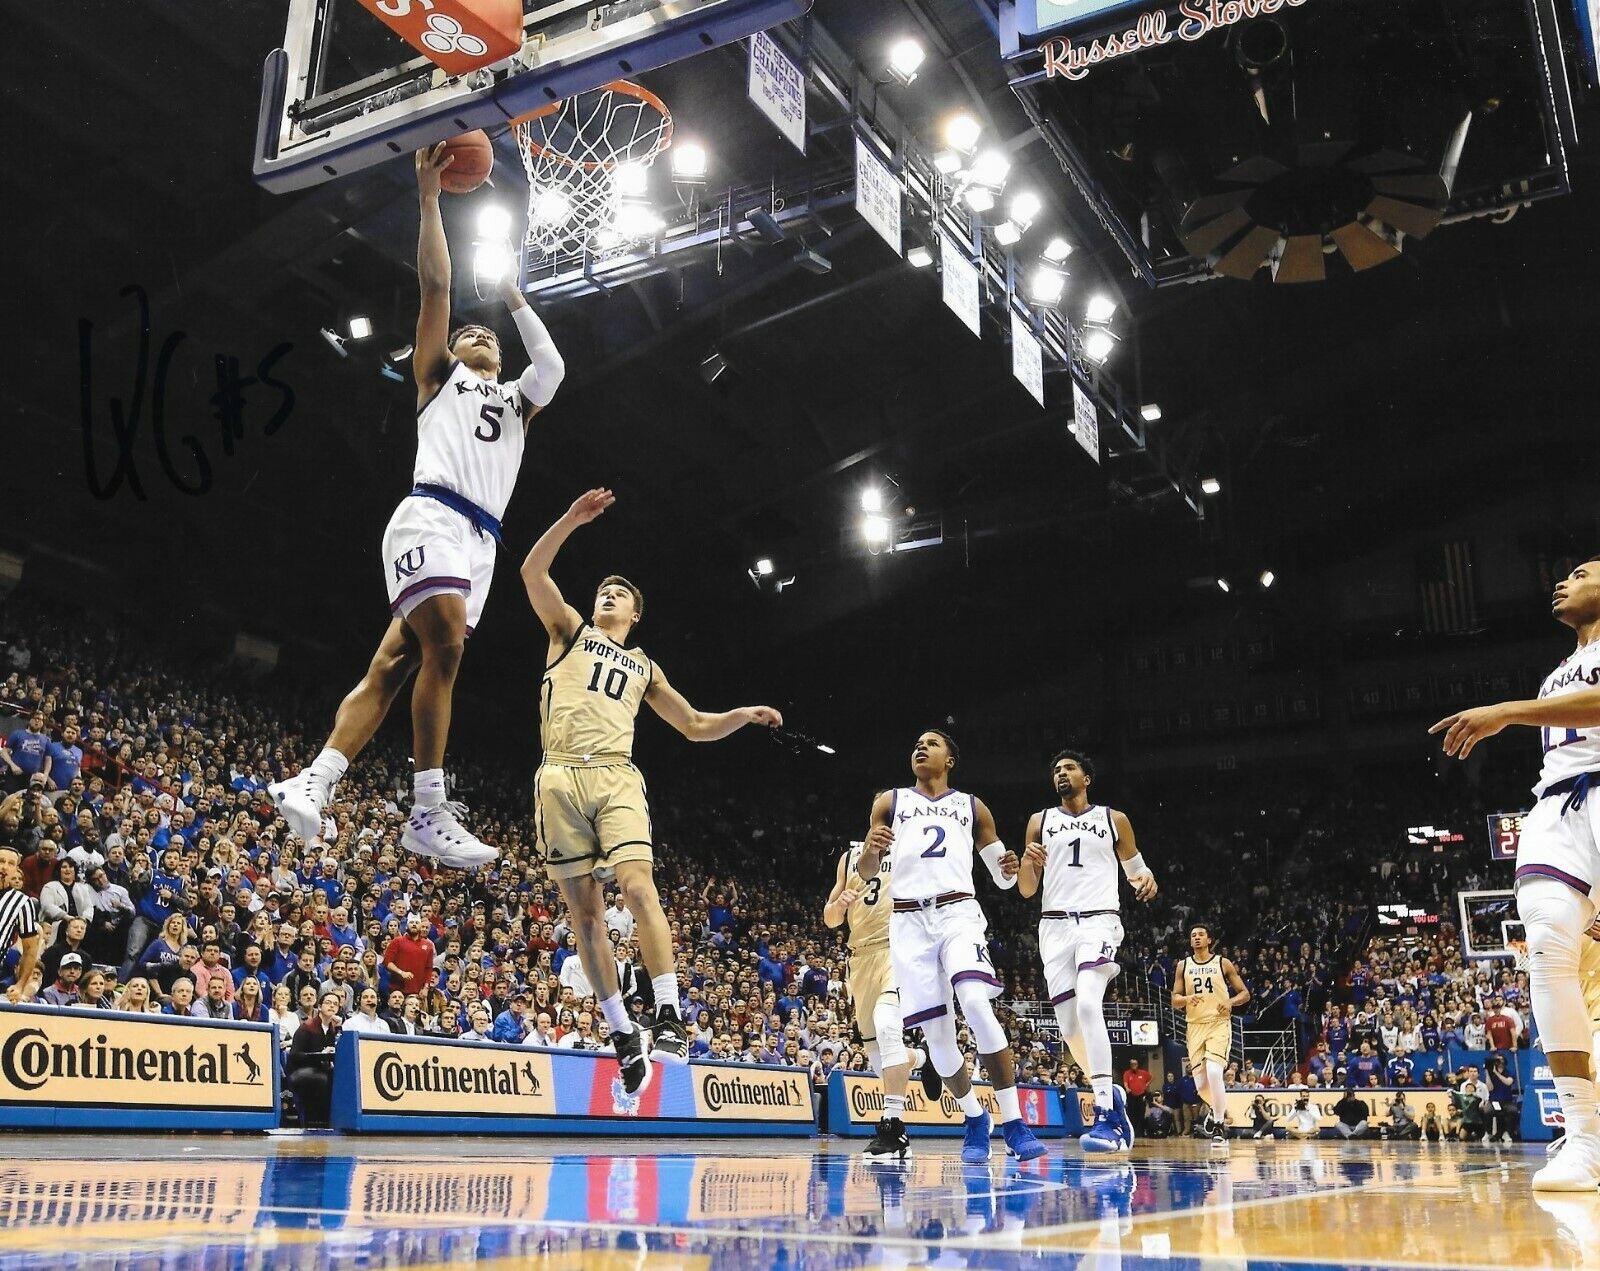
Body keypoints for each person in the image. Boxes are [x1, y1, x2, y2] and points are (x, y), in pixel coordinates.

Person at [268, 141, 568, 870]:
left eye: (485, 334)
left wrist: (517, 297)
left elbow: (553, 368)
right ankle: (427, 808)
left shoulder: (517, 403)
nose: (476, 334)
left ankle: (317, 778)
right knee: (448, 647)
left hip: (480, 543)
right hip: (431, 514)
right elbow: (437, 289)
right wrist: (431, 199)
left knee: (396, 662)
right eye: (470, 333)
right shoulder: (439, 379)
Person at [518, 487, 782, 1094]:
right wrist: (569, 520)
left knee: (638, 887)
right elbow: (533, 570)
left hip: (615, 774)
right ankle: (620, 1031)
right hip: (557, 774)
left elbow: (692, 725)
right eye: (602, 591)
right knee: (584, 916)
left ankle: (667, 1011)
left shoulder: (644, 665)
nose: (607, 595)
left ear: (635, 615)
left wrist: (739, 713)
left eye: (620, 595)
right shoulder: (568, 632)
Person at [1430, 555, 1600, 1187]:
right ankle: (1584, 1138)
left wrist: (1507, 711)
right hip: (1557, 805)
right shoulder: (1557, 673)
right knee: (1550, 948)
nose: (1564, 581)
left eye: (1582, 572)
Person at [855, 729, 1047, 1164]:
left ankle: (1015, 1123)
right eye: (915, 744)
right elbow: (867, 871)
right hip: (907, 921)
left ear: (951, 759)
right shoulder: (889, 801)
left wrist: (1011, 866)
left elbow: (1002, 878)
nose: (920, 747)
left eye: (931, 743)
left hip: (958, 912)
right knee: (939, 1040)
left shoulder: (973, 806)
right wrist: (870, 850)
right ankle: (975, 1116)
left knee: (976, 1004)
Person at [1017, 749, 1156, 1153]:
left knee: (1090, 1005)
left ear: (1086, 777)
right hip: (1053, 925)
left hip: (1098, 920)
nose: (1061, 773)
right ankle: (1110, 1093)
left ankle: (1107, 1117)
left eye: (1069, 768)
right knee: (1069, 1028)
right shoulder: (1038, 822)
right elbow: (1027, 889)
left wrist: (1148, 882)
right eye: (1056, 769)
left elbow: (1137, 873)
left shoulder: (1114, 819)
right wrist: (1029, 862)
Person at [822, 823, 928, 1160]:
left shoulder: (913, 851)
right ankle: (924, 1060)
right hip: (860, 959)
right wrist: (840, 904)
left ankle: (893, 1127)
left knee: (887, 1028)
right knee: (878, 1057)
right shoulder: (850, 857)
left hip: (897, 951)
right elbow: (830, 919)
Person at [1172, 923, 1250, 1151]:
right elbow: (1174, 1000)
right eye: (1193, 935)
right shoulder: (1182, 965)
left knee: (1215, 1071)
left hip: (1218, 1023)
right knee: (1201, 1085)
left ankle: (1218, 1125)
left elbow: (1245, 993)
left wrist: (1230, 1002)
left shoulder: (1222, 963)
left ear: (1209, 940)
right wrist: (1186, 999)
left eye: (1201, 935)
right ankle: (1218, 1111)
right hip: (1194, 1026)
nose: (1196, 938)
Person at [288, 991, 343, 1127]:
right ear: (319, 1006)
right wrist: (320, 1054)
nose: (332, 1006)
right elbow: (295, 1056)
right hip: (301, 1070)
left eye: (335, 1004)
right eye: (328, 1002)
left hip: (321, 1068)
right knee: (323, 1079)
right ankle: (315, 1121)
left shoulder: (332, 1029)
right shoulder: (307, 1027)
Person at [0, 847, 43, 1002]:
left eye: (11, 863)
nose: (4, 867)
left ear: (16, 870)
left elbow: (30, 948)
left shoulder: (22, 902)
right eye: (1, 861)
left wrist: (20, 985)